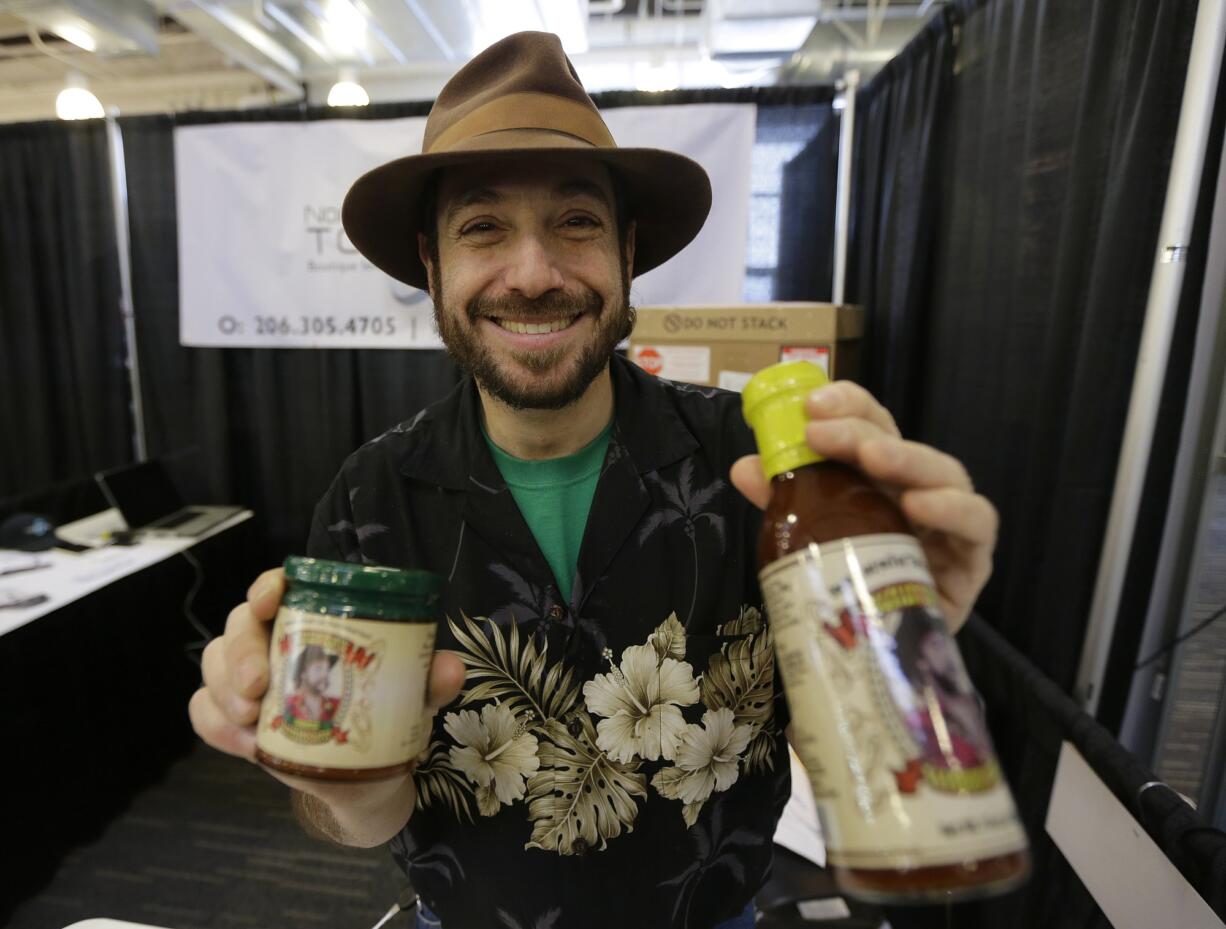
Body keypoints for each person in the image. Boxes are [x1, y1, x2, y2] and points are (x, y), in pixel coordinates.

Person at [189, 31, 999, 929]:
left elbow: (841, 753)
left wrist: (902, 657)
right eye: (483, 227)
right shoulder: (370, 495)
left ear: (626, 251)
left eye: (576, 222)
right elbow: (358, 818)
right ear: (431, 266)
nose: (533, 275)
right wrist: (339, 778)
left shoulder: (758, 469)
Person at [284, 643, 340, 728]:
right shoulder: (289, 704)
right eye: (318, 669)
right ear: (303, 673)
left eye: (327, 669)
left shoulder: (336, 705)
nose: (325, 675)